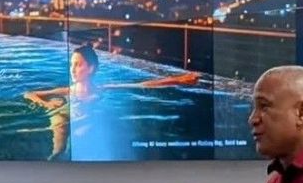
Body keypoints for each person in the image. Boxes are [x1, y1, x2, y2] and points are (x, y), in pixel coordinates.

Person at [24, 44, 201, 160]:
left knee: (83, 136)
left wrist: (179, 80)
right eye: (71, 64)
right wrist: (48, 105)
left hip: (83, 116)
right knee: (59, 149)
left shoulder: (102, 89)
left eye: (78, 64)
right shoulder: (66, 91)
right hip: (63, 113)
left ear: (91, 68)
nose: (72, 69)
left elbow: (142, 85)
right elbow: (29, 94)